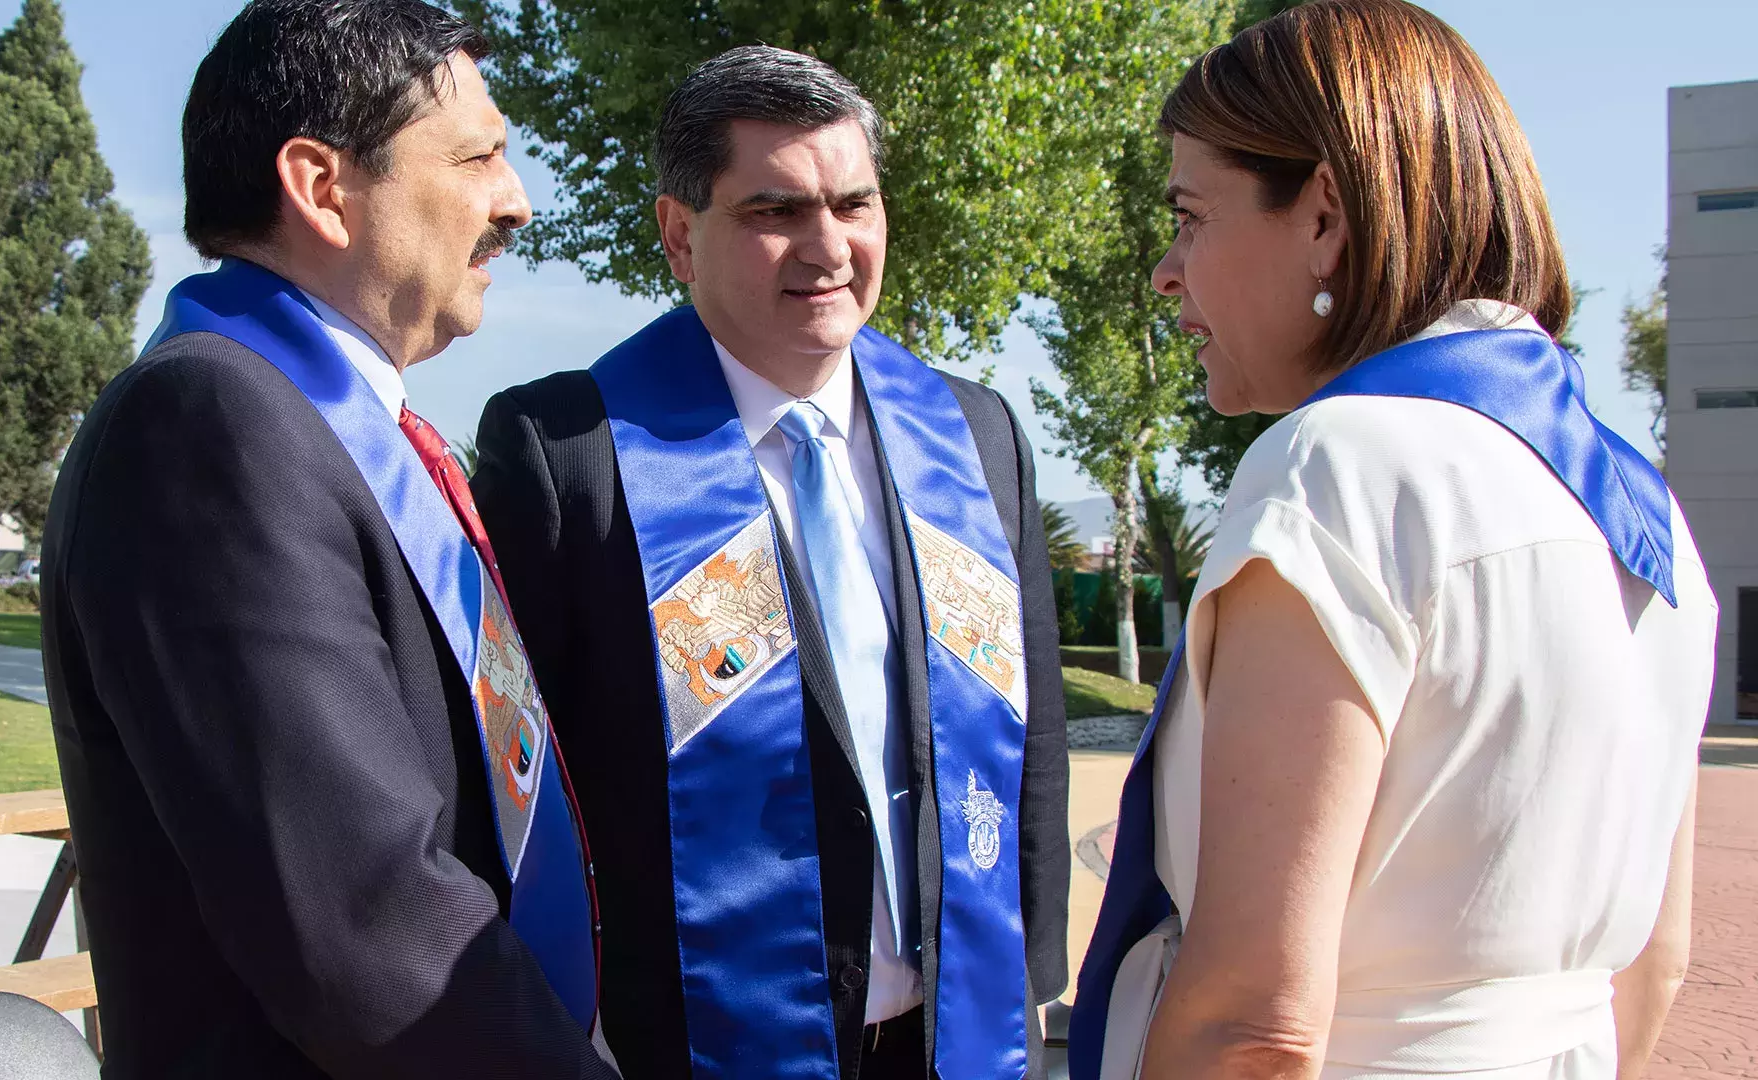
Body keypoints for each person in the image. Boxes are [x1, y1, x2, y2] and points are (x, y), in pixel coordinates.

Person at [1070, 3, 1716, 1078]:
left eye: (1191, 215)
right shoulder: (1641, 509)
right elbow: (1655, 961)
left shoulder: (1343, 467)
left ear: (1322, 213)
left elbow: (1252, 1023)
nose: (1167, 271)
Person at [471, 45, 1070, 1080]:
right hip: (697, 1040)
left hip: (957, 1027)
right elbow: (518, 799)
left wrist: (1035, 968)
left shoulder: (975, 435)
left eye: (853, 203)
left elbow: (1037, 724)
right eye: (773, 211)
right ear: (678, 235)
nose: (827, 246)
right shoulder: (566, 454)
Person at [39, 2, 615, 1075]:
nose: (517, 202)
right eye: (482, 155)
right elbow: (364, 919)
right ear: (320, 187)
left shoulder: (346, 437)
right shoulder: (206, 428)